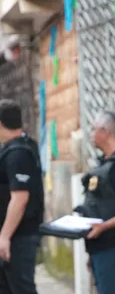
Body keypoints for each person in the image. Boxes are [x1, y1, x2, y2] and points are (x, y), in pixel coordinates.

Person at [75, 111, 115, 294]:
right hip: (100, 248)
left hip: (114, 247)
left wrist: (103, 227)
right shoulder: (104, 164)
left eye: (94, 130)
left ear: (105, 132)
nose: (92, 135)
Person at [0, 99, 44, 294]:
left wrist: (4, 237)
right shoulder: (24, 145)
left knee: (21, 288)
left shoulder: (17, 153)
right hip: (15, 236)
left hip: (18, 237)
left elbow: (20, 198)